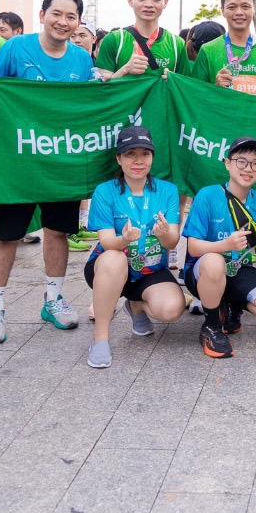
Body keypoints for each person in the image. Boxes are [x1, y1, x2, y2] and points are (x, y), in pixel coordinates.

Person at [0, 0, 97, 344]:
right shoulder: (16, 47)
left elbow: (87, 104)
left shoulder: (81, 58)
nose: (63, 22)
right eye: (56, 14)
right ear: (43, 15)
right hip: (19, 162)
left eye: (71, 17)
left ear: (78, 22)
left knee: (57, 232)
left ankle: (53, 299)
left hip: (61, 162)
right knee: (6, 235)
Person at [83, 126, 184, 368]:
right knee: (114, 257)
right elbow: (107, 242)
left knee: (172, 309)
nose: (138, 161)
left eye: (145, 154)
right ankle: (100, 338)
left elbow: (173, 242)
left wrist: (164, 234)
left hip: (150, 270)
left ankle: (136, 305)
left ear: (152, 157)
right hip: (109, 268)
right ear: (119, 158)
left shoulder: (168, 190)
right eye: (130, 154)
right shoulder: (105, 191)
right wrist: (125, 239)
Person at [181, 136, 256, 358]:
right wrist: (225, 245)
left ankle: (233, 305)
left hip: (239, 270)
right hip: (203, 272)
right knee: (214, 261)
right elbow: (193, 248)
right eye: (241, 161)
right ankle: (211, 327)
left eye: (255, 164)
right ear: (228, 164)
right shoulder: (208, 195)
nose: (248, 168)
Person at [95, 0, 190, 79]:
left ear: (165, 2)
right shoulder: (114, 39)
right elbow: (102, 86)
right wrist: (125, 70)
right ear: (130, 1)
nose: (148, 5)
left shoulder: (177, 44)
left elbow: (185, 85)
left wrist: (173, 80)